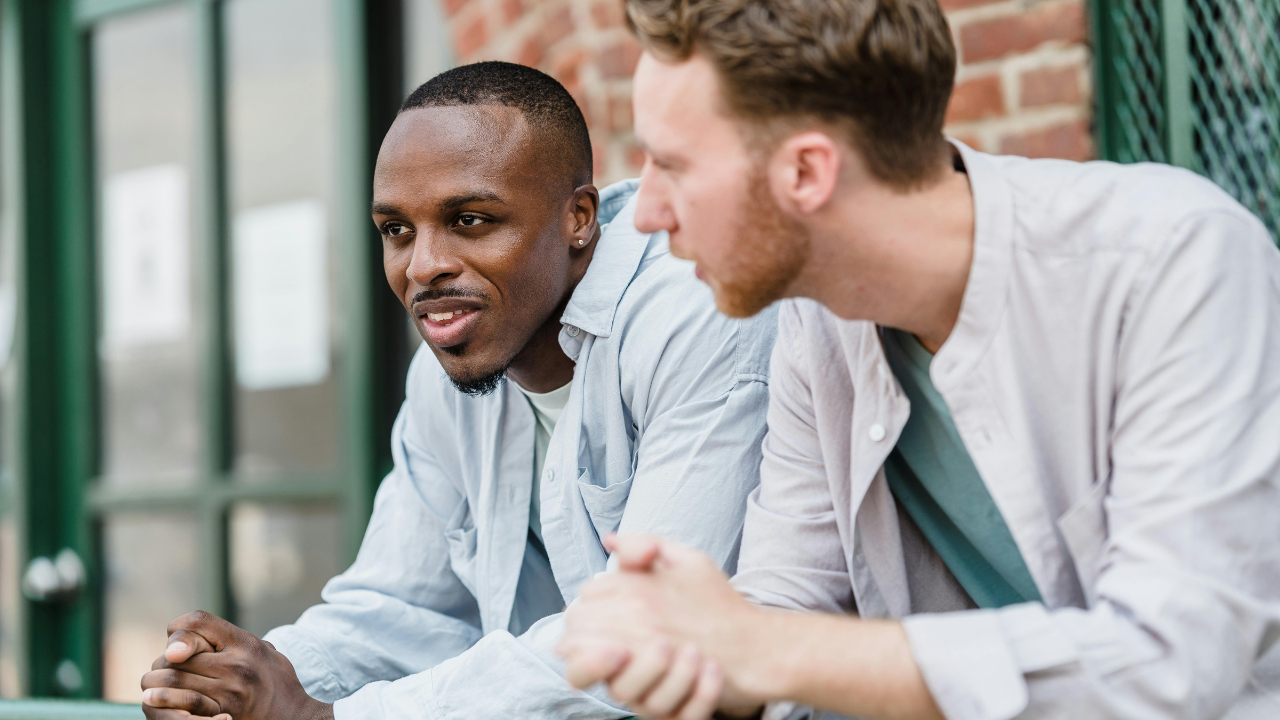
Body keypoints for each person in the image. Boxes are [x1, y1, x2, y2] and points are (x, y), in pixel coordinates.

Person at [556, 1, 1280, 719]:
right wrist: (680, 652)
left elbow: (1170, 661)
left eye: (672, 164)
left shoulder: (1173, 259)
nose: (646, 212)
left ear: (807, 171)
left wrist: (758, 645)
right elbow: (784, 602)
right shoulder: (817, 322)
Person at [139, 61, 776, 720]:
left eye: (470, 220)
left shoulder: (695, 316)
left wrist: (326, 716)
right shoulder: (448, 369)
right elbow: (399, 609)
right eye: (396, 230)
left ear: (579, 218)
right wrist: (250, 680)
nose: (422, 266)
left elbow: (649, 636)